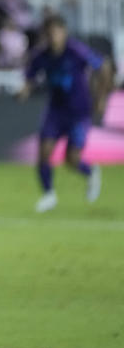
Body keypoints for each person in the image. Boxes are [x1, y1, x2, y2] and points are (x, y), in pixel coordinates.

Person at [18, 15, 112, 213]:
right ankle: (48, 195)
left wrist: (101, 97)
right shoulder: (41, 55)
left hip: (79, 112)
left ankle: (91, 171)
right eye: (49, 33)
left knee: (72, 159)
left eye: (56, 32)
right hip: (55, 111)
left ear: (64, 32)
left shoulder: (76, 51)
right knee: (44, 152)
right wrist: (25, 90)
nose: (53, 37)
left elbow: (103, 67)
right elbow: (30, 76)